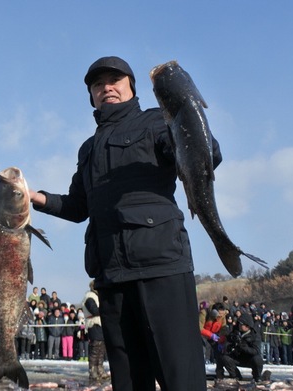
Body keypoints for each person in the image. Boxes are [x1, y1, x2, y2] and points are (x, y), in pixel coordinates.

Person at [30, 56, 218, 390]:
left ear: (131, 85)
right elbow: (77, 206)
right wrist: (34, 197)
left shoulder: (158, 121)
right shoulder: (88, 149)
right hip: (111, 277)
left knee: (181, 376)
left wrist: (186, 116)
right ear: (91, 96)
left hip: (161, 265)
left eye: (114, 80)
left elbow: (204, 153)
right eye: (97, 84)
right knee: (128, 380)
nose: (106, 88)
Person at [218, 315, 264, 382]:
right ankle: (236, 376)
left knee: (258, 359)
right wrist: (229, 347)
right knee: (225, 358)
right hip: (237, 356)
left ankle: (257, 376)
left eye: (241, 324)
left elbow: (256, 351)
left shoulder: (254, 335)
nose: (239, 325)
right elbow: (227, 344)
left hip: (249, 358)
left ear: (247, 326)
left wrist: (243, 347)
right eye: (239, 324)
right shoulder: (235, 333)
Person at [82, 280, 110, 384]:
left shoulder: (97, 296)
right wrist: (106, 308)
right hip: (94, 324)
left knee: (101, 350)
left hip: (100, 324)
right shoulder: (90, 296)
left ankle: (100, 370)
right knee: (95, 349)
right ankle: (93, 372)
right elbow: (94, 310)